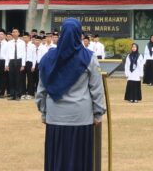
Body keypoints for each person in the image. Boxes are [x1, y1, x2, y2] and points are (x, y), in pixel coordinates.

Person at [36, 18, 106, 171]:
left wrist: (43, 112)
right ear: (79, 34)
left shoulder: (49, 57)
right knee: (79, 159)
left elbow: (42, 89)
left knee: (58, 157)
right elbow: (96, 88)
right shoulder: (89, 57)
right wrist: (98, 113)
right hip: (81, 117)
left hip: (55, 117)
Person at [6, 28, 26, 100]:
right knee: (11, 79)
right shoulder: (9, 43)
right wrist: (6, 65)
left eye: (16, 32)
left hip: (19, 61)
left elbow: (24, 54)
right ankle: (12, 95)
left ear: (18, 33)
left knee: (18, 79)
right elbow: (7, 54)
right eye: (13, 32)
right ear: (12, 34)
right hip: (11, 61)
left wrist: (23, 65)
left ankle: (18, 94)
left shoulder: (22, 42)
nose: (14, 33)